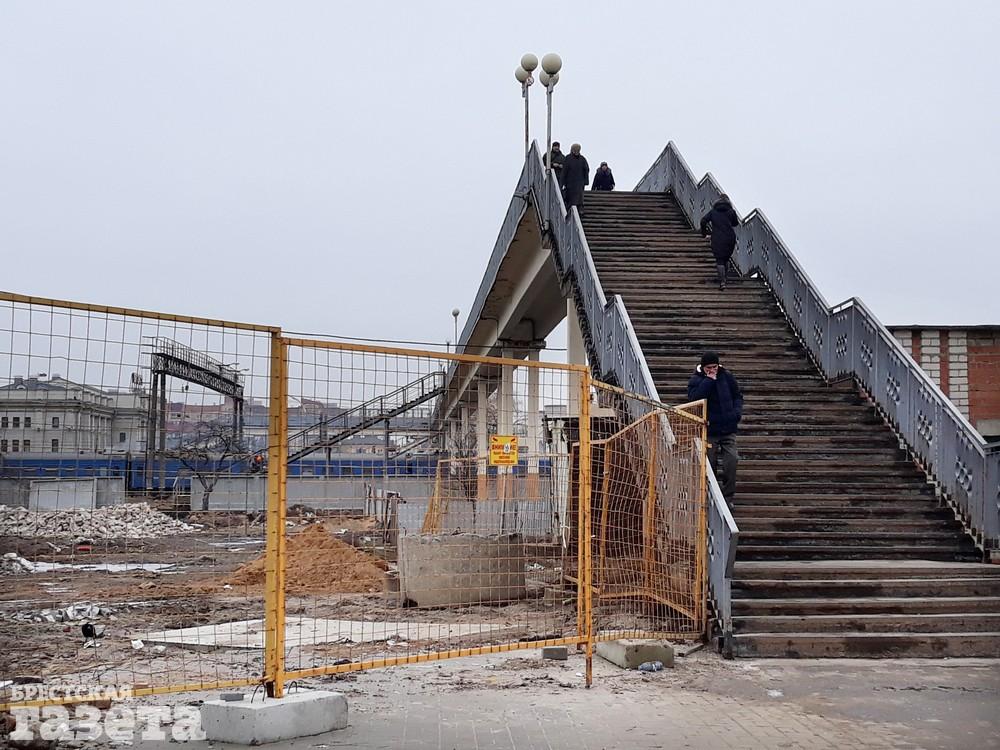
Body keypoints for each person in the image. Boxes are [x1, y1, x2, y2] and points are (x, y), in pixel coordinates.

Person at [687, 351, 742, 506]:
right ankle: (710, 497)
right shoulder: (696, 380)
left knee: (732, 460)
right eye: (709, 368)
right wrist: (709, 381)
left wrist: (736, 413)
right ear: (703, 367)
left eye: (714, 367)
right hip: (709, 429)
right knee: (709, 464)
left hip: (728, 427)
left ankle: (728, 497)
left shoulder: (727, 377)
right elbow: (694, 399)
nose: (712, 370)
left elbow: (737, 396)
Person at [699, 194, 740, 290]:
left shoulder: (713, 212)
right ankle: (725, 278)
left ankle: (722, 282)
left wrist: (704, 234)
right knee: (726, 258)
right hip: (730, 237)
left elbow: (703, 221)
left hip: (717, 238)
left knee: (720, 260)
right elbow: (735, 223)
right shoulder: (731, 212)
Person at [562, 143, 590, 213]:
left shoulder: (582, 159)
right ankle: (570, 211)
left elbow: (586, 169)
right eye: (575, 149)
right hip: (570, 182)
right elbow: (564, 171)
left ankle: (580, 210)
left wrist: (585, 181)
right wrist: (562, 182)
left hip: (579, 182)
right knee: (570, 197)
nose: (576, 150)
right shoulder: (568, 158)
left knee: (579, 197)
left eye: (578, 149)